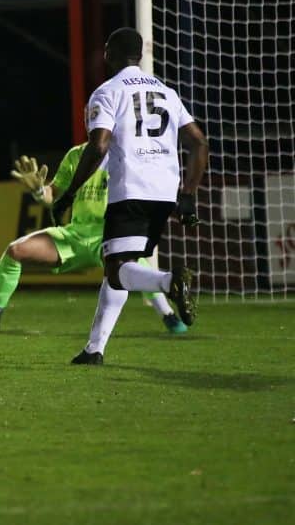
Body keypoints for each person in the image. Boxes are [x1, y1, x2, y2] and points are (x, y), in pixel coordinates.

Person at [52, 27, 209, 364]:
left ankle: (169, 281)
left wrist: (69, 192)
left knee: (115, 269)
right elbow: (198, 142)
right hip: (165, 190)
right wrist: (188, 194)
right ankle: (95, 349)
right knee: (123, 265)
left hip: (131, 190)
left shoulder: (108, 91)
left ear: (111, 52)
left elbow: (99, 145)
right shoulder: (167, 92)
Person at [0, 146, 188, 344]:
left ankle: (168, 314)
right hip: (76, 235)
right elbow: (53, 195)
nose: (93, 121)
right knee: (15, 250)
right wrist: (40, 191)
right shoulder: (76, 155)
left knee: (134, 265)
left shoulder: (129, 153)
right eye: (89, 116)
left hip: (111, 234)